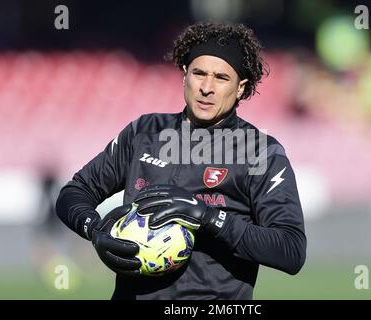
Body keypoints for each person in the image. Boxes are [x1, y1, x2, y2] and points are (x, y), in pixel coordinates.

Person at [56, 22, 307, 300]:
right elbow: (73, 193)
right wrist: (94, 228)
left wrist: (209, 218)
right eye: (199, 73)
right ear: (185, 75)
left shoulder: (260, 152)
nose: (207, 88)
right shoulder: (145, 132)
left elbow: (290, 250)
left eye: (221, 78)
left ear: (240, 88)